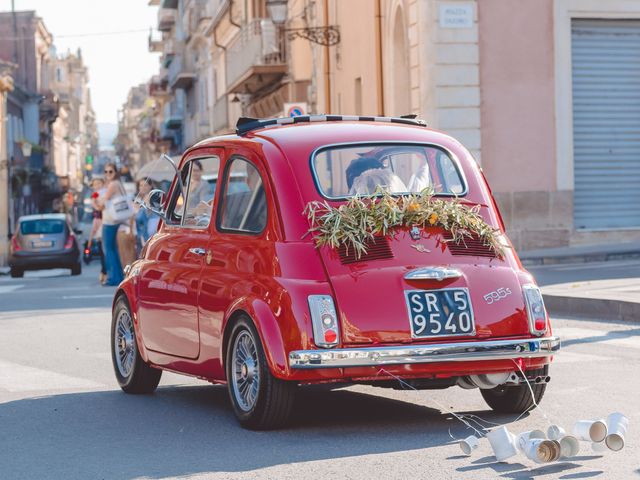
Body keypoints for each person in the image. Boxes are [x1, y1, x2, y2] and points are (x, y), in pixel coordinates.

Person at [97, 163, 125, 286]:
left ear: (115, 172)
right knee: (113, 249)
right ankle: (118, 276)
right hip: (115, 220)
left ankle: (113, 278)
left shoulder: (113, 184)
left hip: (110, 221)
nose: (108, 174)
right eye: (106, 172)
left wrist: (96, 202)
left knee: (108, 249)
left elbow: (103, 203)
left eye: (111, 172)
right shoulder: (118, 183)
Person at [88, 177, 107, 284]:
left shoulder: (105, 194)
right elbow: (97, 210)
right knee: (102, 252)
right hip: (99, 223)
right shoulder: (94, 198)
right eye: (95, 184)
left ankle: (105, 272)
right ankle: (104, 272)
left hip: (106, 222)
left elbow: (100, 208)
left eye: (99, 183)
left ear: (103, 184)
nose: (97, 186)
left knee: (107, 252)